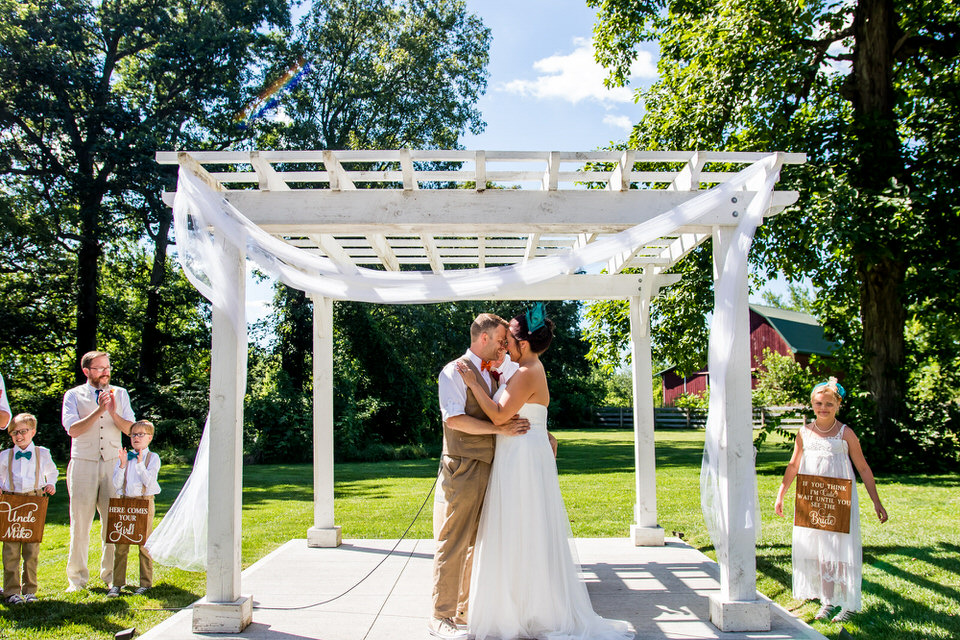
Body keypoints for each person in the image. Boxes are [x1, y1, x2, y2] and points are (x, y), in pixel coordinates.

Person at [456, 304, 634, 640]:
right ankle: (522, 605)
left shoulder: (526, 373)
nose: (504, 344)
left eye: (509, 339)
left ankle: (529, 610)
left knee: (523, 526)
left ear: (523, 344)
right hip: (524, 449)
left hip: (521, 455)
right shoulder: (526, 367)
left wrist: (472, 382)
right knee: (522, 527)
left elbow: (497, 415)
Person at [430, 313, 532, 640]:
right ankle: (440, 615)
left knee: (478, 543)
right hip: (463, 466)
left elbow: (515, 407)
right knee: (454, 540)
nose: (506, 346)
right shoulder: (453, 371)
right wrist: (496, 428)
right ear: (483, 338)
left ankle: (464, 609)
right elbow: (455, 420)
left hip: (490, 465)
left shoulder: (494, 372)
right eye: (502, 340)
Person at [774, 377, 888, 623]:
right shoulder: (804, 433)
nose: (822, 408)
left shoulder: (845, 433)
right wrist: (781, 493)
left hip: (839, 498)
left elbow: (864, 468)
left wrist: (876, 502)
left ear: (838, 404)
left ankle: (847, 602)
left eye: (828, 403)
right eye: (818, 403)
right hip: (813, 498)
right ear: (812, 404)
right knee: (820, 552)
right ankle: (827, 601)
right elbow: (793, 464)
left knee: (840, 550)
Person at [61, 351, 135, 592]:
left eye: (107, 367)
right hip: (83, 461)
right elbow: (73, 429)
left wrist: (112, 411)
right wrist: (98, 410)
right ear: (86, 371)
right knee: (80, 522)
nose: (105, 371)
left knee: (112, 522)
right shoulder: (73, 395)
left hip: (113, 462)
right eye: (99, 368)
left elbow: (130, 429)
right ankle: (77, 579)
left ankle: (111, 576)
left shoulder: (120, 393)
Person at [0, 413, 58, 604]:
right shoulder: (4, 455)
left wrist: (51, 483)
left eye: (23, 431)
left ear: (33, 431)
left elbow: (52, 471)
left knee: (32, 550)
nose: (19, 436)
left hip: (34, 501)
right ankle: (11, 591)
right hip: (11, 502)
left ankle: (30, 590)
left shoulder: (42, 453)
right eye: (14, 432)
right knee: (10, 550)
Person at [108, 420, 161, 597]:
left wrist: (139, 464)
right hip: (125, 502)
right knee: (121, 544)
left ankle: (145, 582)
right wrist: (123, 465)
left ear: (149, 437)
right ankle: (117, 583)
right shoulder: (125, 456)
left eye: (140, 434)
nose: (136, 438)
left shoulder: (152, 458)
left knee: (144, 544)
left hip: (144, 502)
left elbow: (150, 483)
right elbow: (116, 484)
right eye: (133, 435)